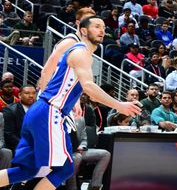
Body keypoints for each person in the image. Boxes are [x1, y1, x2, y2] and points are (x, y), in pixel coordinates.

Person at [0, 16, 140, 189]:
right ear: (83, 30)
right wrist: (120, 105)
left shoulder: (80, 53)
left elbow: (76, 87)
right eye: (96, 26)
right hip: (50, 112)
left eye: (103, 27)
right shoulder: (81, 52)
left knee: (28, 170)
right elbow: (89, 87)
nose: (102, 30)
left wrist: (74, 102)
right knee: (65, 168)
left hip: (41, 111)